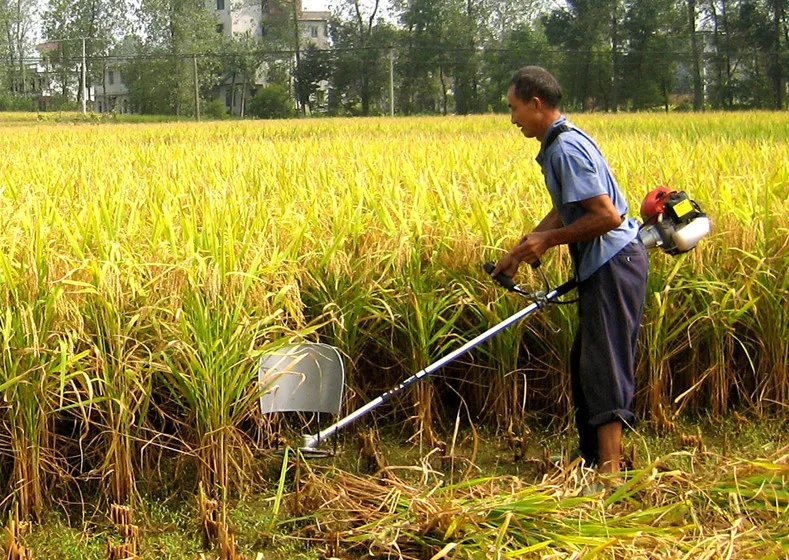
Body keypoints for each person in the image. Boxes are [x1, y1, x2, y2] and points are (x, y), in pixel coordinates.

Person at [491, 66, 648, 474]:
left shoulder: (565, 149)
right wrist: (522, 247)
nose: (512, 119)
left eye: (514, 108)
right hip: (609, 265)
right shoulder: (562, 140)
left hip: (615, 264)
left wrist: (548, 242)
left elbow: (607, 216)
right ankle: (592, 458)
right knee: (587, 362)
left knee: (604, 364)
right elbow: (569, 208)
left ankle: (610, 474)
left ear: (536, 104)